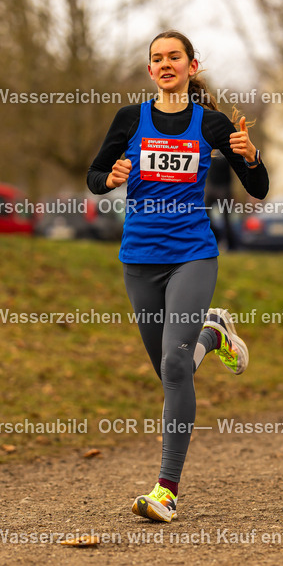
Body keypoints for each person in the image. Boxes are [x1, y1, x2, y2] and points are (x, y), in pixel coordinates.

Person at [87, 30, 269, 521]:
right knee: (173, 373)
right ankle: (213, 333)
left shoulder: (211, 125)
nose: (165, 64)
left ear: (192, 66)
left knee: (173, 364)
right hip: (139, 260)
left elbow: (258, 189)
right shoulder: (130, 119)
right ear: (150, 71)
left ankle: (165, 491)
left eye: (174, 57)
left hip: (192, 254)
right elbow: (95, 176)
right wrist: (111, 179)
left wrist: (250, 155)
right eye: (157, 59)